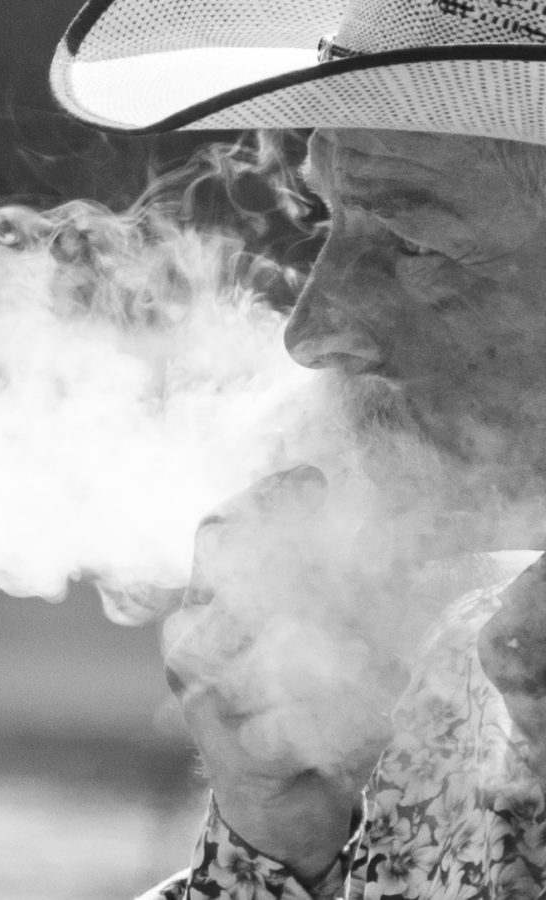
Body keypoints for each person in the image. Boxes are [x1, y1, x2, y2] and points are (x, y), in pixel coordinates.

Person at [50, 1, 546, 897]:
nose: (310, 332)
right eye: (330, 222)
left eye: (414, 243)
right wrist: (285, 849)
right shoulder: (462, 670)